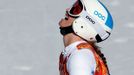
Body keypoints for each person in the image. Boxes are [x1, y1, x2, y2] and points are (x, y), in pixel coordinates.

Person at [58, 0, 113, 75]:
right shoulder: (77, 52)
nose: (67, 10)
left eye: (76, 9)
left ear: (84, 24)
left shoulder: (79, 56)